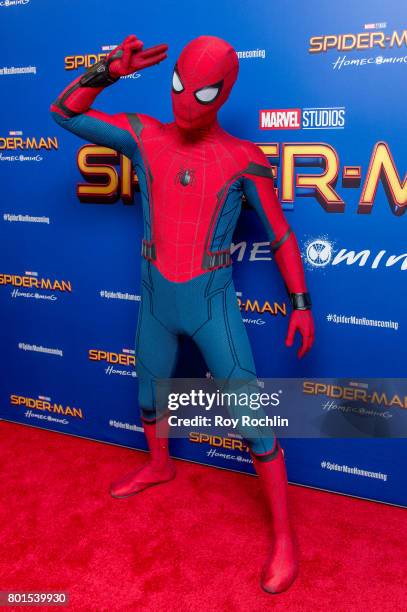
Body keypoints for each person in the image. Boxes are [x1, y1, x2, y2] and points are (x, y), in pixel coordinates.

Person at [51, 34, 314, 594]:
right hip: (155, 295)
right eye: (178, 86)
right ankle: (160, 464)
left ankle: (286, 537)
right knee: (149, 391)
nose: (186, 102)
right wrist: (106, 70)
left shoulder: (244, 159)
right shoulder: (145, 135)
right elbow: (64, 113)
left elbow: (281, 234)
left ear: (222, 96)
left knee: (252, 419)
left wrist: (300, 302)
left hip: (211, 302)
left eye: (203, 92)